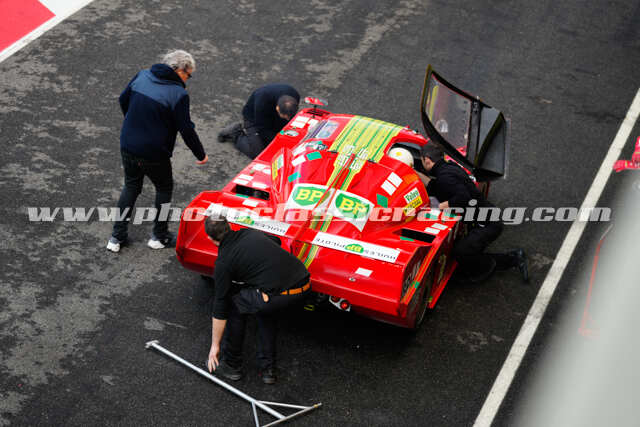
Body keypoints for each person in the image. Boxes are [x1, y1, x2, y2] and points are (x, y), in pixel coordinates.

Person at [107, 50, 208, 253]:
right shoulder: (178, 94)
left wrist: (135, 123)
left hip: (128, 144)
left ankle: (116, 237)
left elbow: (123, 100)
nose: (187, 80)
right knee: (163, 188)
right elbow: (186, 129)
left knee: (131, 186)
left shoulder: (142, 76)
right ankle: (159, 236)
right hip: (154, 152)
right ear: (180, 70)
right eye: (188, 75)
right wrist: (200, 154)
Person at [204, 216, 310, 384]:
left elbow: (220, 305)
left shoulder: (224, 262)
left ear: (210, 238)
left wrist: (214, 346)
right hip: (303, 282)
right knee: (263, 307)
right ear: (229, 226)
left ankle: (231, 365)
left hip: (281, 294)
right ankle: (268, 370)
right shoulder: (249, 233)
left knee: (236, 305)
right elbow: (276, 241)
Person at [418, 144, 528, 283]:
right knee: (466, 250)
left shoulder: (444, 177)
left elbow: (463, 198)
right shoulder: (449, 168)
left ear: (427, 160)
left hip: (488, 224)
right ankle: (513, 257)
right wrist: (415, 173)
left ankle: (493, 266)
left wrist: (439, 207)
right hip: (488, 217)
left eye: (422, 161)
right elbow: (435, 186)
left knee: (461, 252)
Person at [218, 83, 300, 159]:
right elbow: (261, 128)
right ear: (277, 108)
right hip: (253, 120)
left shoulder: (294, 96)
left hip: (272, 117)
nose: (288, 119)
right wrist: (276, 138)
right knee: (259, 154)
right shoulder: (262, 100)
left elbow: (288, 120)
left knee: (282, 142)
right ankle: (237, 134)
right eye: (284, 116)